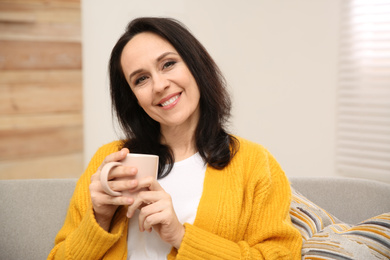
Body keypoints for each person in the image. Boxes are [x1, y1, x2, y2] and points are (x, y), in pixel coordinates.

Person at [48, 17, 302, 259]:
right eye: (141, 79)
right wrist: (100, 219)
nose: (159, 85)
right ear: (133, 98)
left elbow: (282, 255)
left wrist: (180, 236)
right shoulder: (109, 161)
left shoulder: (254, 163)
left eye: (168, 64)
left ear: (196, 65)